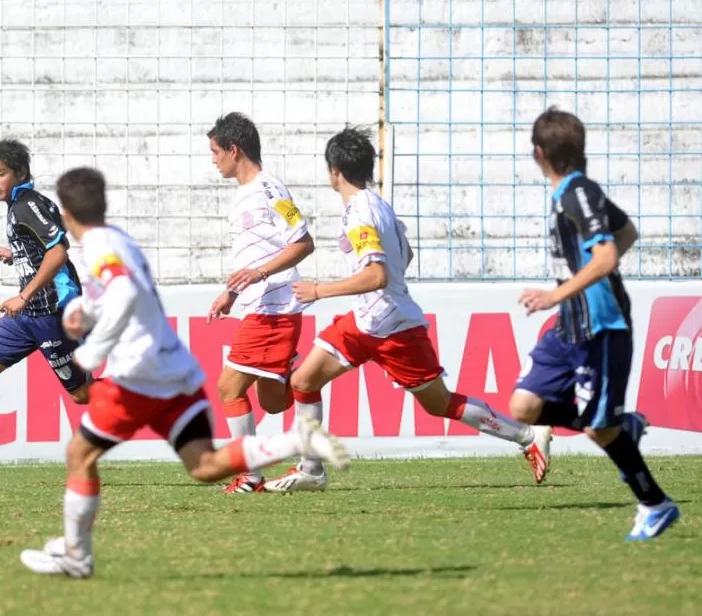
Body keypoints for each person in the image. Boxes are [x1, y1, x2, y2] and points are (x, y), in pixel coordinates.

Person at [19, 167, 349, 578]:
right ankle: (298, 440)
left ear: (65, 213)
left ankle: (76, 556)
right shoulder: (117, 239)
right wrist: (86, 313)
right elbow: (125, 295)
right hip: (175, 370)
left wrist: (93, 353)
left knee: (80, 454)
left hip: (138, 376)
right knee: (205, 465)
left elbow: (121, 292)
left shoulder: (99, 245)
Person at [286, 126, 553, 489]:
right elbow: (405, 255)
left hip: (393, 327)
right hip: (368, 320)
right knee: (304, 379)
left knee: (439, 403)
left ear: (335, 170)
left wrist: (319, 290)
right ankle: (311, 470)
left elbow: (377, 275)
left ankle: (527, 437)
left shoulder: (360, 213)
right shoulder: (378, 205)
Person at [510, 107, 679, 539]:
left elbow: (606, 254)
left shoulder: (576, 193)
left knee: (599, 427)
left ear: (538, 153)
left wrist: (557, 293)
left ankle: (654, 503)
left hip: (600, 326)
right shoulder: (574, 191)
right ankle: (621, 428)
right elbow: (627, 232)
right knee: (524, 406)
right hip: (570, 328)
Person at [0, 139, 91, 486]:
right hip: (28, 316)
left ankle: (139, 392)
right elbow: (41, 250)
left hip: (51, 313)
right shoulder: (16, 206)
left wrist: (24, 295)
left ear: (21, 173)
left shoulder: (28, 204)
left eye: (1, 173)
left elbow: (59, 250)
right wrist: (18, 255)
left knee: (81, 394)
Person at [204, 112, 325, 494]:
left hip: (273, 310)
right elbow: (252, 259)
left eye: (215, 151)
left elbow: (303, 243)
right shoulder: (244, 195)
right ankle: (305, 383)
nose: (213, 159)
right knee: (273, 401)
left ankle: (251, 475)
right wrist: (233, 292)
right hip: (260, 307)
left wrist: (259, 276)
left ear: (233, 150)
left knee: (228, 389)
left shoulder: (270, 189)